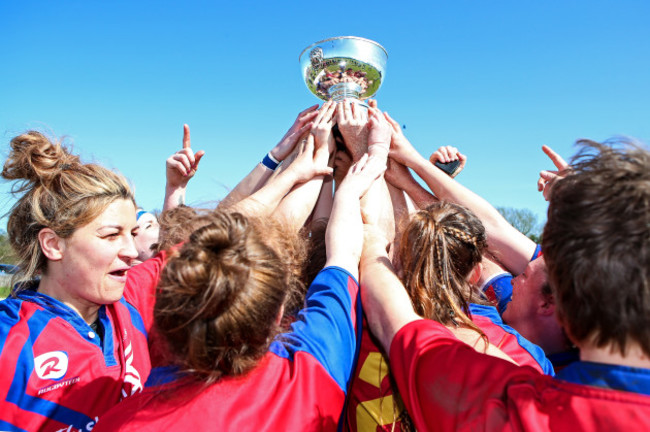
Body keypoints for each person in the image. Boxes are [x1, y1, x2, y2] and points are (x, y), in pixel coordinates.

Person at [360, 139, 650, 430]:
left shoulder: (514, 408)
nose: (515, 277)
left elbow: (395, 323)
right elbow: (483, 240)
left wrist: (370, 237)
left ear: (556, 301)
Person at [94, 143, 387, 430]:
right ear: (278, 316)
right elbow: (344, 257)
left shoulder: (116, 421)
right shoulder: (306, 377)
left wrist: (294, 166)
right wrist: (352, 181)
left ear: (163, 311)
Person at [0, 131, 153, 431]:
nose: (132, 252)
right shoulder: (9, 342)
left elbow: (227, 227)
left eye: (132, 234)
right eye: (111, 235)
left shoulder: (130, 300)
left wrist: (274, 160)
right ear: (54, 245)